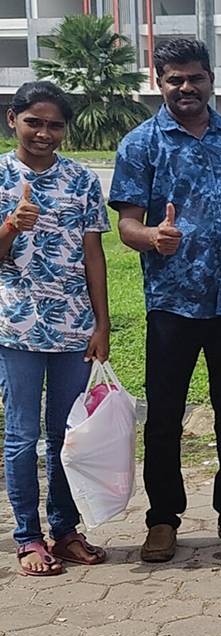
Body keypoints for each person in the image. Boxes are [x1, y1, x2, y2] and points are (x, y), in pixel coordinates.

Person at [109, 38, 221, 563]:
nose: (186, 87)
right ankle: (162, 519)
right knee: (164, 418)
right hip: (171, 304)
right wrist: (153, 236)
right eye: (174, 79)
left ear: (210, 79)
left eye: (195, 77)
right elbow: (126, 224)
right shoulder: (141, 143)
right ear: (159, 81)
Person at [0, 81, 110, 576]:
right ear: (13, 121)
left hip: (72, 327)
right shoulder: (1, 175)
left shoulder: (82, 179)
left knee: (68, 433)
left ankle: (65, 530)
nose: (44, 133)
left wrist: (102, 324)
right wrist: (9, 227)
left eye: (54, 125)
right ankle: (28, 537)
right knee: (22, 435)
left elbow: (93, 255)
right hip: (16, 328)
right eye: (34, 122)